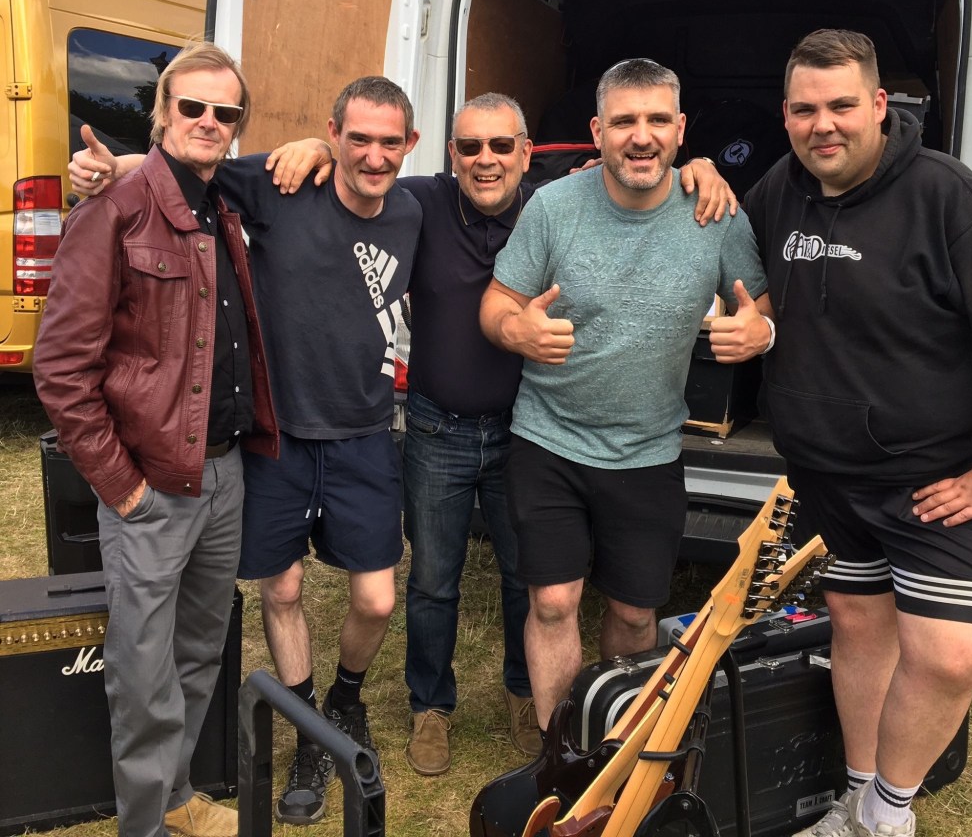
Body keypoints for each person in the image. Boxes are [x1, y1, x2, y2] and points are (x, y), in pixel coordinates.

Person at [262, 91, 736, 776]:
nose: (486, 160)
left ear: (525, 153)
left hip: (524, 432)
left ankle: (523, 694)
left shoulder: (554, 207)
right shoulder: (420, 203)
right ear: (449, 154)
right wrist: (317, 147)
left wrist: (702, 167)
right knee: (433, 580)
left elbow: (638, 171)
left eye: (502, 146)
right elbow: (356, 178)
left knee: (530, 580)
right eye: (470, 147)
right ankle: (431, 706)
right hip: (436, 429)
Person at [68, 76, 422, 827]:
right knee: (279, 591)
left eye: (390, 141)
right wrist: (105, 167)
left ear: (411, 145)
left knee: (375, 599)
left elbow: (498, 188)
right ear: (335, 133)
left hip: (359, 434)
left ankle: (345, 702)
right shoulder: (278, 185)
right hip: (275, 436)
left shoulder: (415, 207)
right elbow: (177, 166)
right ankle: (306, 735)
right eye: (357, 138)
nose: (374, 154)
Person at [724, 29, 972, 837]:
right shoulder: (780, 188)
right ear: (785, 115)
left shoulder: (949, 198)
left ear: (880, 105)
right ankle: (856, 799)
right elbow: (755, 276)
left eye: (841, 106)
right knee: (859, 627)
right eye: (804, 110)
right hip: (827, 474)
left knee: (951, 655)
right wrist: (701, 177)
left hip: (932, 479)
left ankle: (888, 814)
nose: (823, 125)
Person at [479, 57, 771, 733]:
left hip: (649, 450)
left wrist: (759, 330)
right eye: (624, 122)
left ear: (681, 130)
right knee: (553, 603)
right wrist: (516, 330)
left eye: (657, 120)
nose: (641, 136)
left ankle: (612, 741)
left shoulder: (716, 213)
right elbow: (497, 301)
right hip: (548, 438)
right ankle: (560, 751)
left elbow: (758, 304)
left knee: (637, 614)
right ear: (597, 131)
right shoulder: (554, 207)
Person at [35, 42, 279, 837]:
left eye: (225, 111)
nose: (208, 120)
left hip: (224, 475)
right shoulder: (114, 207)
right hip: (151, 484)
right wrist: (122, 486)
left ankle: (176, 798)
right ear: (163, 112)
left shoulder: (221, 204)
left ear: (238, 123)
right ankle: (142, 824)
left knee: (200, 648)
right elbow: (61, 369)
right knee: (142, 671)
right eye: (192, 106)